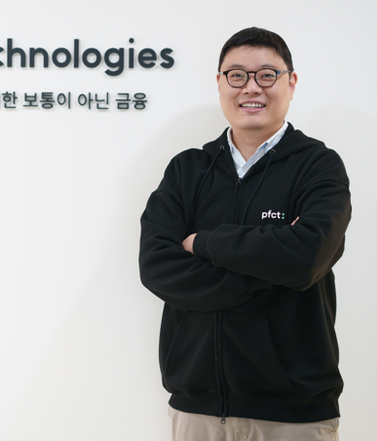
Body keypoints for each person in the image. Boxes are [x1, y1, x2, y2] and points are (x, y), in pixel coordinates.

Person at [139, 27, 351, 441]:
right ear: (220, 83)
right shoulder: (187, 170)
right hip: (196, 410)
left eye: (267, 75)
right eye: (237, 75)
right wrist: (273, 267)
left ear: (291, 82)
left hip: (294, 416)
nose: (251, 87)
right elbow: (157, 267)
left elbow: (307, 256)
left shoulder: (318, 166)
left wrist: (204, 243)